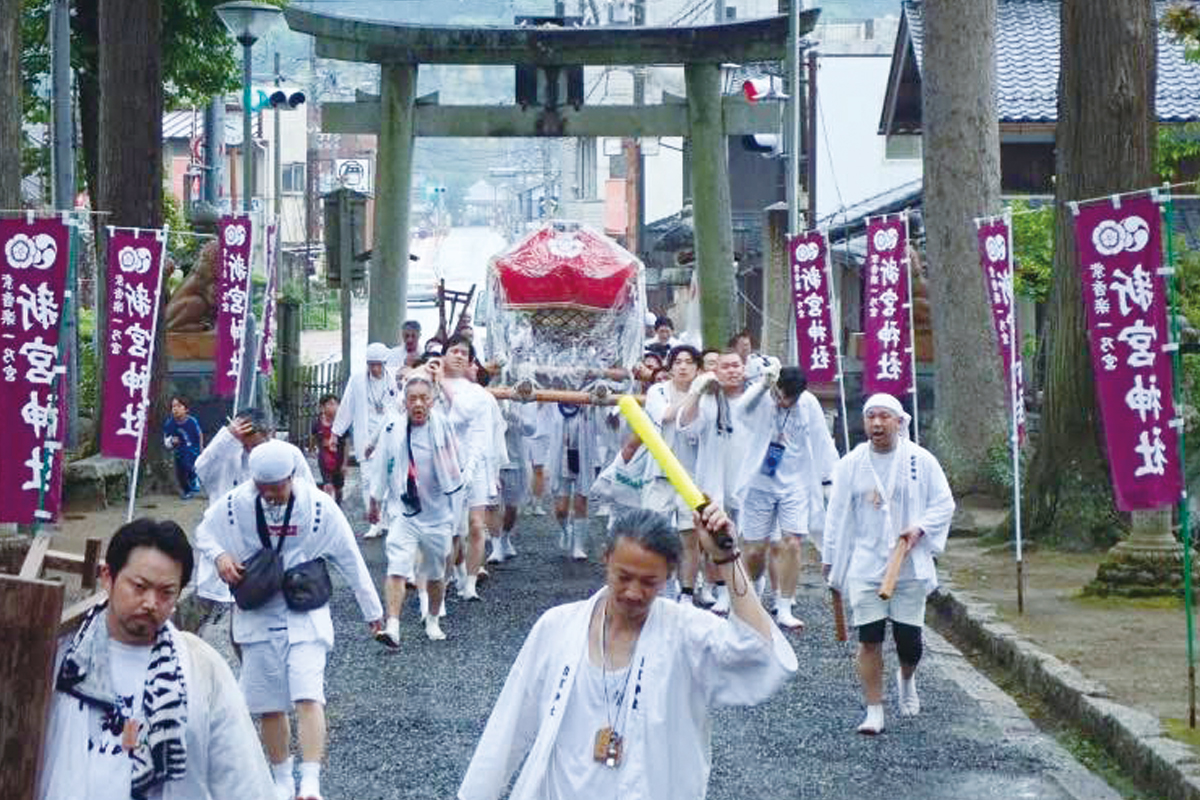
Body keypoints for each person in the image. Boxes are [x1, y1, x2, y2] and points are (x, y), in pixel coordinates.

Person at [457, 506, 797, 800]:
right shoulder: (557, 627)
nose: (634, 593)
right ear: (606, 559)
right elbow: (511, 721)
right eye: (624, 577)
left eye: (649, 582)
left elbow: (759, 652)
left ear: (670, 574)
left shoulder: (686, 633)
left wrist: (727, 559)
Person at [196, 440, 385, 800]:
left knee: (308, 695)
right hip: (259, 609)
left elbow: (349, 555)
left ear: (292, 477)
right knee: (269, 703)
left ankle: (311, 782)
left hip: (305, 608)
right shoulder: (237, 503)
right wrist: (219, 555)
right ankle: (281, 779)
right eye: (262, 488)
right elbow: (204, 531)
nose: (269, 495)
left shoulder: (318, 506)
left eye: (277, 488)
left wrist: (372, 611)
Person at [39, 518, 275, 800]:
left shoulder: (200, 666)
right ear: (108, 577)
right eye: (139, 586)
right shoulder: (61, 657)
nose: (151, 603)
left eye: (166, 593)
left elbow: (242, 779)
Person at [821, 393, 955, 735]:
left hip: (907, 566)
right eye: (871, 417)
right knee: (869, 639)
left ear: (899, 421)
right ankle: (874, 709)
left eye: (884, 416)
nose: (877, 423)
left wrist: (920, 528)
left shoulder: (920, 460)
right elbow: (836, 515)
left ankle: (906, 678)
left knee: (910, 642)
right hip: (865, 564)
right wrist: (830, 558)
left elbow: (944, 503)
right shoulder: (851, 464)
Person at [733, 364, 838, 630]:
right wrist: (762, 385)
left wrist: (829, 479)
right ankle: (751, 594)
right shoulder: (761, 397)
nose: (784, 402)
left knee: (792, 543)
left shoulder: (809, 404)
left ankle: (784, 606)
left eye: (791, 399)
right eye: (781, 396)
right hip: (759, 484)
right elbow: (740, 411)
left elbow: (822, 441)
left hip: (796, 484)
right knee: (755, 550)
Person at [369, 367, 464, 645]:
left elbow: (457, 465)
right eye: (413, 398)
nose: (418, 404)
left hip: (437, 513)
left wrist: (458, 509)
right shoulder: (393, 428)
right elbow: (381, 466)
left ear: (432, 401)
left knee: (435, 574)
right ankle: (393, 627)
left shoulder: (443, 426)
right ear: (405, 401)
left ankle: (432, 619)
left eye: (424, 398)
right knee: (397, 567)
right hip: (404, 510)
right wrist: (375, 500)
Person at [193, 408, 315, 606]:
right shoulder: (225, 452)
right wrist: (226, 437)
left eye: (256, 445)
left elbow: (308, 497)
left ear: (269, 435)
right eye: (245, 445)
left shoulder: (288, 454)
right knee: (235, 608)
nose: (250, 452)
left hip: (275, 549)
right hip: (231, 552)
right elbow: (200, 469)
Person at [643, 345, 705, 603]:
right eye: (678, 362)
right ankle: (661, 588)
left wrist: (700, 392)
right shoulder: (657, 391)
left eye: (689, 362)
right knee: (653, 534)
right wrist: (694, 393)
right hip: (660, 474)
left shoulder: (706, 395)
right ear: (670, 367)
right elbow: (666, 415)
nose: (683, 367)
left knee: (689, 537)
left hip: (692, 476)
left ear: (698, 368)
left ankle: (687, 593)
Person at [332, 341, 397, 538]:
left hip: (389, 436)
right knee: (368, 479)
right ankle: (374, 522)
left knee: (390, 479)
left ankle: (389, 520)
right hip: (365, 437)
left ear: (384, 363)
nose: (375, 369)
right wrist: (336, 433)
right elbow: (347, 406)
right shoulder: (357, 380)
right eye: (371, 364)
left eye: (378, 364)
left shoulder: (394, 378)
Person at [162, 395, 203, 499]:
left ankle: (194, 478)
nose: (175, 409)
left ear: (186, 409)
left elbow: (199, 435)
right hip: (178, 451)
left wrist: (201, 449)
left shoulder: (192, 421)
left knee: (187, 463)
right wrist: (172, 441)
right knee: (180, 472)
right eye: (173, 406)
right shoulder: (170, 423)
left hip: (193, 450)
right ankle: (187, 491)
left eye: (179, 406)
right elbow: (166, 440)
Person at [310, 393, 347, 504]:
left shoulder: (342, 424)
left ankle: (338, 506)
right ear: (322, 407)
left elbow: (346, 444)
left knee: (339, 488)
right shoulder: (317, 423)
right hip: (324, 461)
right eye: (330, 404)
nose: (334, 407)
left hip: (338, 461)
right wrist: (313, 448)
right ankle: (329, 508)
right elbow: (313, 437)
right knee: (328, 486)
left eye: (336, 404)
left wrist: (345, 464)